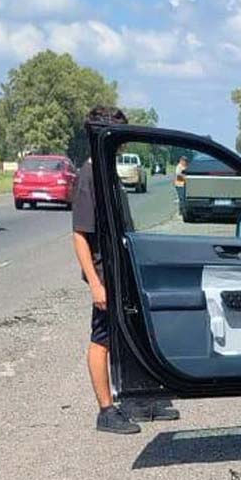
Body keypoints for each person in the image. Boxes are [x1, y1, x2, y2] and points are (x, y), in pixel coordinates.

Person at [72, 105, 140, 435]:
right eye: (120, 139)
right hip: (104, 277)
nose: (123, 147)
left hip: (118, 272)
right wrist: (95, 284)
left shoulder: (105, 171)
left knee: (124, 335)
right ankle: (106, 410)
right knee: (102, 340)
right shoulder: (89, 176)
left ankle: (133, 396)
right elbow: (80, 235)